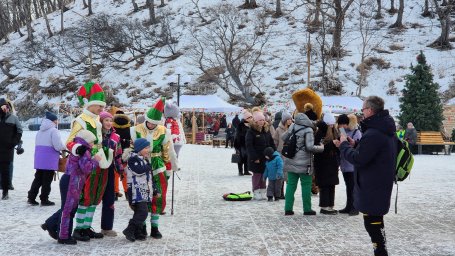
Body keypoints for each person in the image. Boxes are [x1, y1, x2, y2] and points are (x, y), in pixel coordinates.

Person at [338, 96, 396, 256]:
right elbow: (372, 151)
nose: (361, 113)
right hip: (379, 181)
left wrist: (343, 145)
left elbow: (358, 159)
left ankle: (381, 252)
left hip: (373, 183)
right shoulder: (383, 128)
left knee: (372, 223)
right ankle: (381, 250)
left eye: (363, 109)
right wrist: (355, 145)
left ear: (370, 110)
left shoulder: (374, 133)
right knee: (375, 221)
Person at [66, 82, 114, 241]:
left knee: (95, 196)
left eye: (102, 106)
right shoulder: (80, 120)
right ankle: (79, 228)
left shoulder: (98, 121)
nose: (102, 109)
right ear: (91, 105)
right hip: (85, 165)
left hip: (99, 163)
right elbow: (70, 141)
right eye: (99, 106)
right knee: (85, 196)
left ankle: (87, 226)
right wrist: (79, 149)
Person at [129, 97, 178, 239]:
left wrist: (169, 168)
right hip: (140, 166)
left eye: (154, 124)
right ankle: (142, 227)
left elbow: (167, 151)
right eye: (149, 122)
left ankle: (155, 228)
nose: (151, 125)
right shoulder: (135, 130)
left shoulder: (163, 131)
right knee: (142, 199)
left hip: (157, 166)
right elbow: (131, 149)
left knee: (158, 197)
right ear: (146, 119)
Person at [55, 130, 102, 244]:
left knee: (69, 209)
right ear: (86, 141)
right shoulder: (84, 151)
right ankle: (64, 236)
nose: (92, 144)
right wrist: (95, 161)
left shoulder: (80, 149)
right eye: (91, 142)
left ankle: (63, 234)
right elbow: (87, 168)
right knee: (68, 210)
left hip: (72, 181)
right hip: (72, 182)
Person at [282, 112, 324, 216]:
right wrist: (321, 148)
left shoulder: (292, 125)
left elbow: (283, 138)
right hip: (304, 163)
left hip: (291, 160)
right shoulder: (308, 130)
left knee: (291, 185)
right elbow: (310, 147)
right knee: (306, 185)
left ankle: (288, 209)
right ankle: (307, 209)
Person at [122, 138, 158, 242]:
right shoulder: (133, 159)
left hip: (144, 191)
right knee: (143, 212)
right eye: (146, 148)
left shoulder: (144, 159)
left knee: (139, 212)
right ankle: (129, 229)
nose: (148, 150)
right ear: (139, 149)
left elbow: (149, 177)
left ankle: (137, 232)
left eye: (148, 147)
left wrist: (153, 188)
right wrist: (148, 167)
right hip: (135, 190)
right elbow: (138, 171)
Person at [27, 111, 66, 206]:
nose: (57, 121)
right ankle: (44, 199)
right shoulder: (54, 131)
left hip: (39, 158)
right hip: (49, 159)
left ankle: (31, 197)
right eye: (56, 120)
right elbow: (58, 146)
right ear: (53, 121)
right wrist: (64, 148)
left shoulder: (40, 130)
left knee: (38, 179)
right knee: (47, 180)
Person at [99, 111, 124, 237]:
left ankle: (107, 227)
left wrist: (120, 170)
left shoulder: (116, 137)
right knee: (90, 198)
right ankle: (84, 226)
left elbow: (118, 155)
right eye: (106, 120)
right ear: (101, 121)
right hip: (96, 170)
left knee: (109, 198)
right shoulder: (96, 134)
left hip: (109, 170)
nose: (109, 123)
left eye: (110, 120)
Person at [245, 107, 276, 200]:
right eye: (260, 120)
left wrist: (273, 153)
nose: (262, 122)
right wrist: (255, 158)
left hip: (266, 157)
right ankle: (256, 191)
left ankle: (263, 191)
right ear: (255, 121)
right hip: (256, 158)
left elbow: (271, 143)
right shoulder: (251, 131)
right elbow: (249, 146)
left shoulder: (266, 130)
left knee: (264, 174)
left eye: (263, 120)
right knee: (257, 175)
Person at [314, 113, 340, 215]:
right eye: (330, 125)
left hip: (332, 162)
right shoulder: (320, 132)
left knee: (332, 184)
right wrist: (332, 144)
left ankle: (330, 205)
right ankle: (324, 206)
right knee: (325, 185)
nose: (332, 127)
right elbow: (319, 148)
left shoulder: (334, 131)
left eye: (333, 125)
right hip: (323, 163)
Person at [336, 114, 361, 216]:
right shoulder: (343, 132)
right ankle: (348, 206)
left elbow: (359, 146)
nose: (342, 126)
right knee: (348, 186)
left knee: (353, 187)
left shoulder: (356, 132)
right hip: (345, 164)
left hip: (352, 164)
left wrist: (350, 143)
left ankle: (355, 208)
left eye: (343, 124)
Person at [0, 98, 22, 200]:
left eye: (7, 107)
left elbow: (19, 130)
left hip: (7, 149)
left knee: (5, 171)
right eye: (3, 107)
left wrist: (14, 142)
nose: (5, 109)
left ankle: (5, 191)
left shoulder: (13, 118)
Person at [272, 111, 292, 198]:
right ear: (284, 120)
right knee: (281, 174)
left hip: (290, 154)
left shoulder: (293, 129)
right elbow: (275, 142)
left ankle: (289, 193)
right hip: (281, 154)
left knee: (289, 175)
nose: (290, 121)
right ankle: (280, 193)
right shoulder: (278, 129)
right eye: (288, 119)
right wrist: (276, 153)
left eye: (291, 119)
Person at [113, 110, 132, 200]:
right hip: (126, 153)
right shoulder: (129, 127)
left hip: (115, 152)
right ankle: (127, 193)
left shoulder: (112, 127)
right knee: (125, 173)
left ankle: (115, 192)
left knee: (115, 173)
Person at [234, 109, 253, 176]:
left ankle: (246, 171)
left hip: (248, 144)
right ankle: (240, 171)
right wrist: (237, 147)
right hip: (241, 144)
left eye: (251, 117)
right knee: (240, 158)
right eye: (249, 117)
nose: (251, 118)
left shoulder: (251, 125)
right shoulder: (240, 125)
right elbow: (237, 136)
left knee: (247, 158)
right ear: (246, 118)